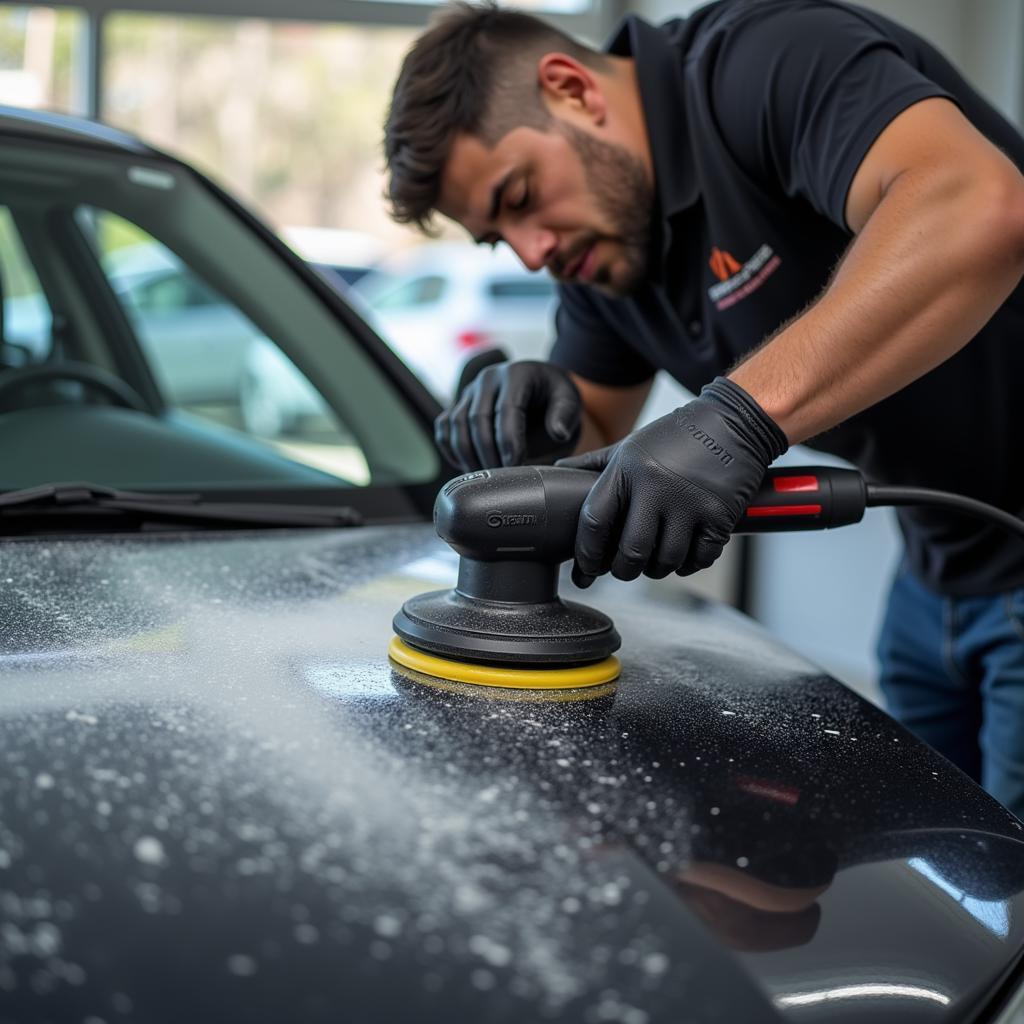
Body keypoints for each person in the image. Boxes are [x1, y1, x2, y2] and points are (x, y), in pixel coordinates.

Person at [382, 0, 1024, 817]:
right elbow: (596, 431)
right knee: (947, 863)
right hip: (939, 568)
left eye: (519, 195)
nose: (533, 251)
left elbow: (977, 204)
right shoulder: (607, 255)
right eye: (498, 240)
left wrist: (738, 417)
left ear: (572, 89)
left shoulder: (769, 62)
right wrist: (534, 413)